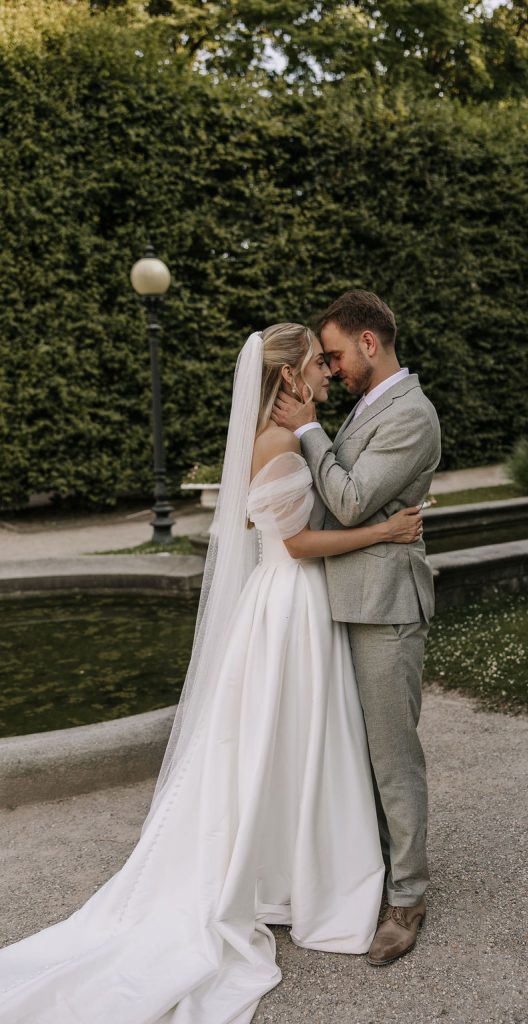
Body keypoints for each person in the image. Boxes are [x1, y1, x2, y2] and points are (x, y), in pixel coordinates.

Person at [0, 323, 426, 1024]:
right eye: (317, 365)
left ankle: (289, 863)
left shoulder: (281, 436)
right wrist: (383, 532)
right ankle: (302, 872)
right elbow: (297, 541)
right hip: (291, 599)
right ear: (288, 377)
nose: (327, 372)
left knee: (284, 740)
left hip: (284, 600)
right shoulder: (279, 441)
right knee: (297, 737)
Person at [272, 290, 441, 966]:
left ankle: (408, 897)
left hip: (384, 607)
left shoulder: (413, 417)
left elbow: (344, 499)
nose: (332, 367)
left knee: (391, 758)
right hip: (337, 600)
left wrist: (308, 430)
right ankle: (365, 873)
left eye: (336, 353)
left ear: (369, 344)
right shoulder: (368, 407)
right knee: (349, 753)